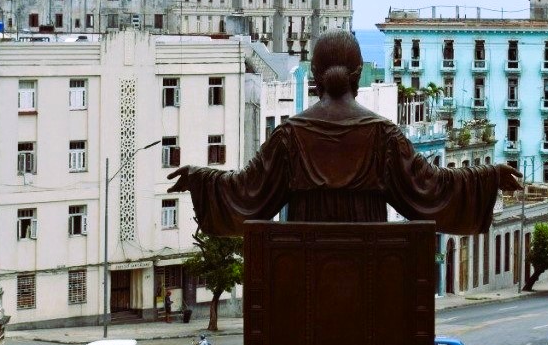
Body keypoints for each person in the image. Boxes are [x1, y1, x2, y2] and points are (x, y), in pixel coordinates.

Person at [167, 30, 522, 236]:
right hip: (371, 269)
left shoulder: (290, 136)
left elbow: (246, 191)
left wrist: (201, 179)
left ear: (316, 76)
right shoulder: (384, 135)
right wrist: (487, 177)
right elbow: (432, 188)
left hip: (302, 269)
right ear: (357, 75)